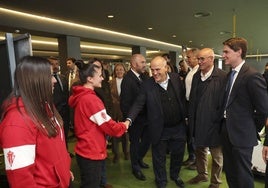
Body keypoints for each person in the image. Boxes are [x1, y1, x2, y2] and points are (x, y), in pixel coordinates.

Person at [0, 56, 73, 188]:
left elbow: (53, 151)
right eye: (50, 76)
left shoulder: (45, 107)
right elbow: (21, 182)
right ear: (35, 81)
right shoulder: (16, 122)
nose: (54, 81)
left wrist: (64, 171)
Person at [126, 56, 187, 188]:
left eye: (157, 69)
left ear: (166, 68)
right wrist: (128, 120)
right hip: (159, 128)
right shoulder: (147, 84)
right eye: (152, 69)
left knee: (178, 154)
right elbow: (138, 103)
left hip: (178, 127)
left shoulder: (176, 79)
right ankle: (161, 181)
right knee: (159, 158)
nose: (154, 73)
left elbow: (182, 98)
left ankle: (175, 175)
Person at [68, 60, 129, 188]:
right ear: (90, 79)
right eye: (100, 75)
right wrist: (124, 125)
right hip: (91, 151)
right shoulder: (91, 100)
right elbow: (109, 126)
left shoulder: (82, 96)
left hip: (85, 148)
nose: (102, 78)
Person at [221, 37, 268, 188]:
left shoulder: (252, 75)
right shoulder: (229, 75)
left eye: (226, 52)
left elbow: (263, 109)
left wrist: (251, 128)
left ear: (239, 52)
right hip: (227, 133)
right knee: (230, 172)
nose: (223, 55)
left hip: (243, 135)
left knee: (243, 176)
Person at [187, 48, 225, 188]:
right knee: (200, 151)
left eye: (202, 59)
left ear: (211, 59)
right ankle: (202, 174)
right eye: (198, 59)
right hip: (198, 122)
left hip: (214, 124)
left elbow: (224, 103)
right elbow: (193, 100)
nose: (199, 61)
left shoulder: (222, 77)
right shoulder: (197, 76)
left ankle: (215, 182)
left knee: (216, 157)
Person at [120, 54, 151, 181]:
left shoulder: (143, 76)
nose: (145, 65)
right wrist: (130, 120)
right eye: (142, 62)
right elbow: (125, 103)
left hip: (146, 118)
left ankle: (139, 159)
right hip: (135, 119)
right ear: (134, 64)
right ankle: (135, 167)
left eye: (145, 62)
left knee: (147, 141)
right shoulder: (127, 80)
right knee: (135, 144)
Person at [182, 48, 199, 169]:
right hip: (188, 104)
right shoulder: (191, 71)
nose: (187, 60)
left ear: (196, 57)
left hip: (194, 105)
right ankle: (192, 157)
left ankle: (197, 160)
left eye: (189, 57)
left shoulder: (198, 71)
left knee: (195, 134)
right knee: (189, 133)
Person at [48, 57, 70, 150]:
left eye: (57, 64)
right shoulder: (48, 79)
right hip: (55, 110)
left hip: (65, 111)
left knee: (65, 131)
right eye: (52, 64)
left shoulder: (63, 78)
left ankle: (66, 151)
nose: (55, 66)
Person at [110, 63, 129, 163]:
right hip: (114, 111)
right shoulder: (110, 82)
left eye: (121, 69)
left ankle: (126, 152)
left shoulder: (128, 81)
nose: (119, 71)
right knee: (114, 133)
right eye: (117, 70)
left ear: (124, 71)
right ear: (114, 71)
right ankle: (116, 154)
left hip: (124, 110)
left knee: (125, 133)